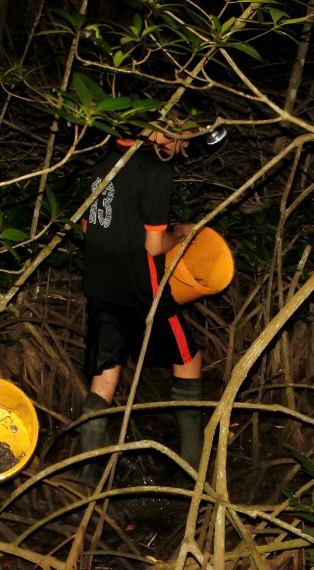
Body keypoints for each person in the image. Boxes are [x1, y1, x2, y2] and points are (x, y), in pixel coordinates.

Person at [78, 121, 204, 478]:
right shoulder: (156, 172)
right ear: (163, 129)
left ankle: (87, 478)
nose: (186, 142)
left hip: (100, 287)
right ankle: (192, 466)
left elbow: (90, 226)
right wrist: (179, 235)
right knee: (188, 358)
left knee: (104, 375)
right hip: (143, 294)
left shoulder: (106, 157)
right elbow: (153, 246)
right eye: (183, 134)